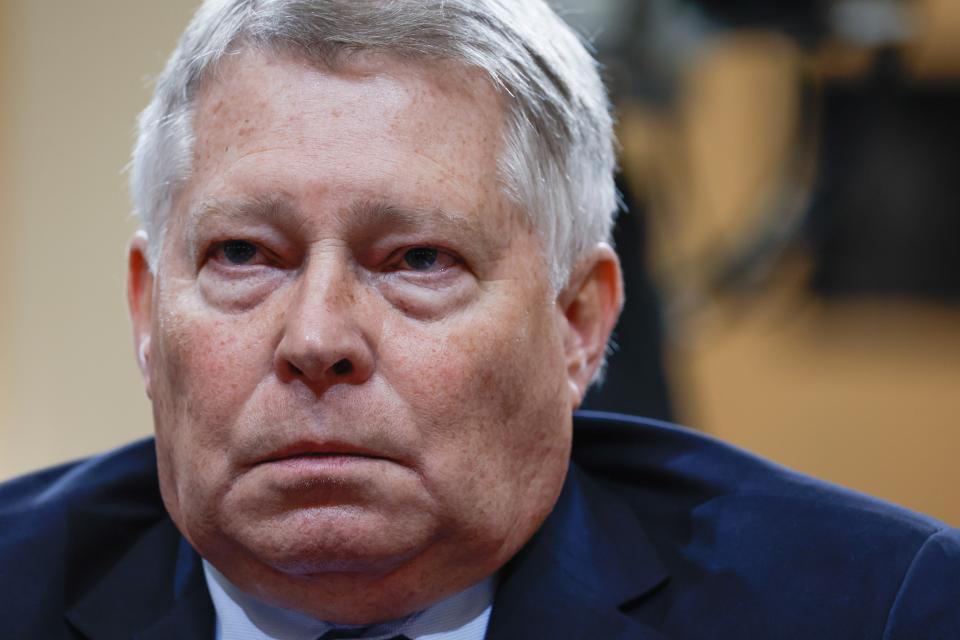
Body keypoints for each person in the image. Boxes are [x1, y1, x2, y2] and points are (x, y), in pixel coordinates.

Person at [1, 1, 958, 638]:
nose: (317, 339)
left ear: (578, 326)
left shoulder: (874, 608)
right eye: (244, 256)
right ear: (146, 311)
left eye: (419, 259)